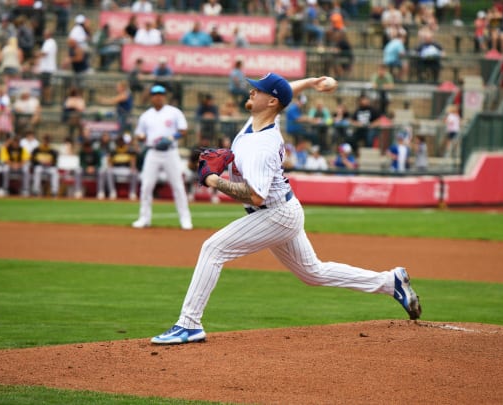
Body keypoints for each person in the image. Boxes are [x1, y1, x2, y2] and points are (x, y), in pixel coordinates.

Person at [150, 73, 421, 345]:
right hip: (282, 210)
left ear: (271, 102)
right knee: (313, 273)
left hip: (275, 214)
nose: (252, 92)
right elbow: (285, 90)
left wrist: (214, 180)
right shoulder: (259, 121)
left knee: (213, 248)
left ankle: (189, 324)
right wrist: (312, 81)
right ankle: (390, 282)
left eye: (258, 90)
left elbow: (256, 196)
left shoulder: (263, 146)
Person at [131, 84, 192, 230]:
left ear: (164, 96)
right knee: (146, 186)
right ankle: (144, 218)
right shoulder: (146, 116)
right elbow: (139, 134)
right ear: (152, 97)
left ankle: (185, 219)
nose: (158, 97)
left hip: (170, 151)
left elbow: (183, 131)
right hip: (152, 151)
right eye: (155, 94)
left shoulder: (174, 112)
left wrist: (171, 138)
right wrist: (141, 137)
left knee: (178, 186)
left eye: (161, 94)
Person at [104, 135, 138, 200]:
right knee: (108, 171)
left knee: (135, 172)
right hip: (116, 169)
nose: (120, 143)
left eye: (121, 141)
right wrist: (110, 166)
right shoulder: (113, 151)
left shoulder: (129, 150)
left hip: (126, 169)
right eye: (119, 142)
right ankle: (112, 192)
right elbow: (109, 162)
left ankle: (132, 192)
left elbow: (133, 161)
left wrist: (132, 167)